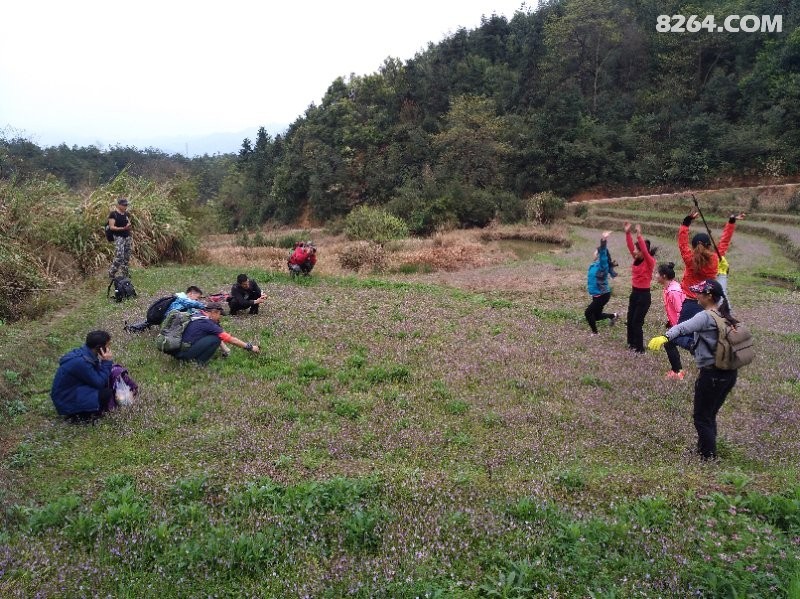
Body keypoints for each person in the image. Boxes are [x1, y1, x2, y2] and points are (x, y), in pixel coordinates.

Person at [647, 279, 739, 460]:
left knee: (701, 417)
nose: (696, 295)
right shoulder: (726, 313)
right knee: (709, 415)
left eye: (699, 293)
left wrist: (665, 337)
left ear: (709, 296)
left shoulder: (705, 316)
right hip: (729, 373)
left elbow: (682, 327)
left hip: (712, 373)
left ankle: (708, 457)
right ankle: (704, 450)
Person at [673, 211, 744, 347]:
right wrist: (731, 222)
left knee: (677, 336)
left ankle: (694, 346)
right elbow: (724, 242)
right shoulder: (716, 258)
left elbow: (682, 245)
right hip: (710, 304)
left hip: (691, 303)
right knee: (711, 338)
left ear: (693, 247)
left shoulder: (690, 260)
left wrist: (686, 222)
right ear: (709, 246)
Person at [50, 330, 114, 421]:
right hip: (66, 400)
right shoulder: (81, 362)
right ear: (99, 347)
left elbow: (95, 375)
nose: (108, 348)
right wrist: (107, 362)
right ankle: (78, 416)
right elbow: (99, 382)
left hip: (68, 394)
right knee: (106, 394)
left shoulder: (85, 353)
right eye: (107, 345)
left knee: (106, 386)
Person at [173, 302, 260, 365]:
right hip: (184, 353)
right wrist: (250, 347)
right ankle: (198, 363)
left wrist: (226, 351)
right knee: (215, 339)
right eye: (219, 315)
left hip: (177, 350)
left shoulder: (197, 315)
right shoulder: (207, 323)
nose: (219, 318)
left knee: (214, 336)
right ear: (213, 312)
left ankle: (188, 359)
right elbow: (230, 339)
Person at [624, 222, 657, 353]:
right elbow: (630, 246)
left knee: (637, 322)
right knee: (630, 319)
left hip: (644, 296)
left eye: (637, 250)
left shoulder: (650, 261)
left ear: (643, 252)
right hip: (634, 294)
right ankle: (631, 344)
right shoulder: (636, 258)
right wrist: (627, 233)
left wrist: (639, 235)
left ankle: (639, 348)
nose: (634, 251)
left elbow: (643, 249)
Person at [656, 262, 687, 379]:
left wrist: (678, 328)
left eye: (657, 273)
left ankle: (678, 372)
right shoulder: (670, 288)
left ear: (664, 276)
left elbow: (681, 311)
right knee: (669, 344)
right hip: (678, 324)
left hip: (684, 324)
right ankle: (677, 371)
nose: (655, 276)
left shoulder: (673, 291)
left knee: (669, 343)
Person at [585, 230, 618, 335]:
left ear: (599, 254)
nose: (594, 253)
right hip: (596, 295)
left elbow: (603, 254)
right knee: (596, 316)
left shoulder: (602, 266)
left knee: (588, 313)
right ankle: (613, 316)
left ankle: (595, 333)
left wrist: (603, 240)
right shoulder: (594, 265)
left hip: (602, 295)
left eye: (595, 251)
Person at [108, 198, 132, 279]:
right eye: (124, 205)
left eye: (126, 205)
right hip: (118, 237)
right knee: (119, 256)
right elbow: (111, 227)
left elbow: (128, 223)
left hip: (127, 236)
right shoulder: (113, 214)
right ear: (118, 205)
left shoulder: (126, 214)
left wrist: (128, 227)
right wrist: (123, 228)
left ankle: (125, 274)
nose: (125, 206)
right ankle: (112, 272)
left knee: (127, 256)